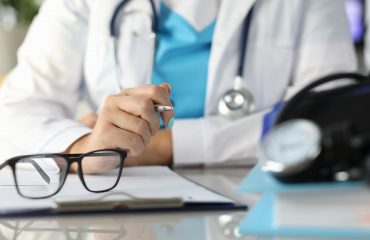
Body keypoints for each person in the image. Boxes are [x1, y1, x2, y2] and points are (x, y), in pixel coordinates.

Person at [0, 0, 357, 170]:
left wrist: (163, 146)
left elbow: (331, 115)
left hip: (257, 199)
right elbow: (16, 108)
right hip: (119, 202)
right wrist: (88, 148)